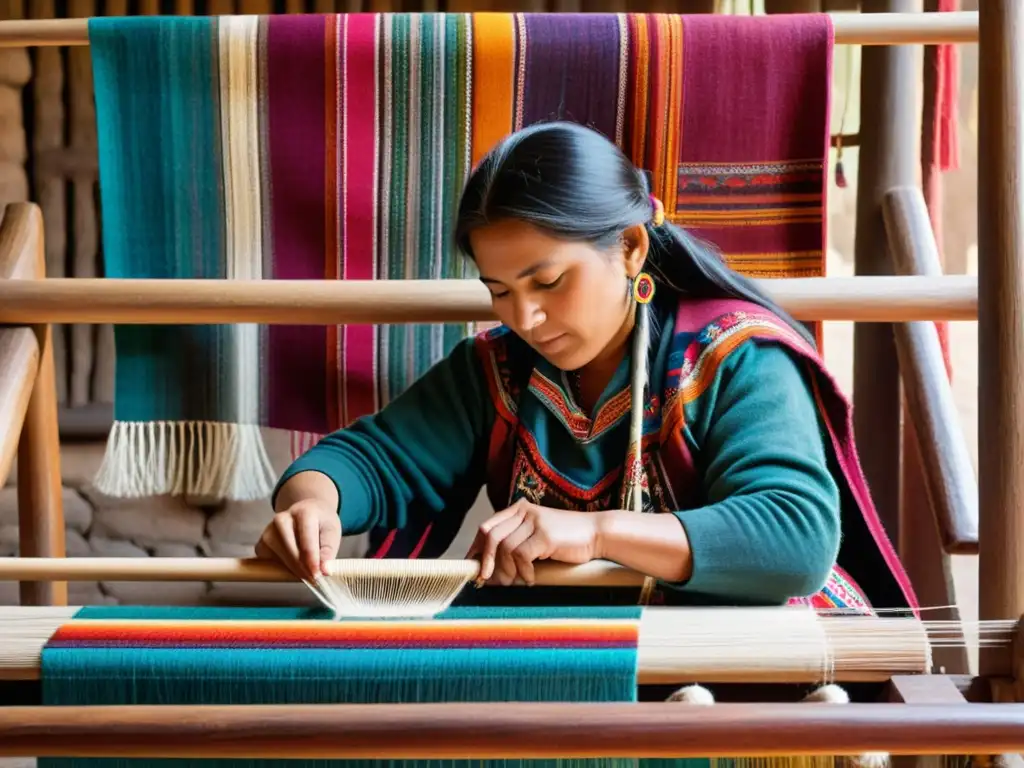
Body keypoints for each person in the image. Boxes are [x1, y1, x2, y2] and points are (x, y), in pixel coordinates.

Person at [256, 121, 917, 614]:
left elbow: (793, 538)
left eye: (547, 281)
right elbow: (373, 459)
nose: (525, 317)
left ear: (629, 247)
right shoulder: (497, 371)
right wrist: (313, 502)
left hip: (768, 672)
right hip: (589, 665)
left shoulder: (736, 354)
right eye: (500, 290)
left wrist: (594, 532)